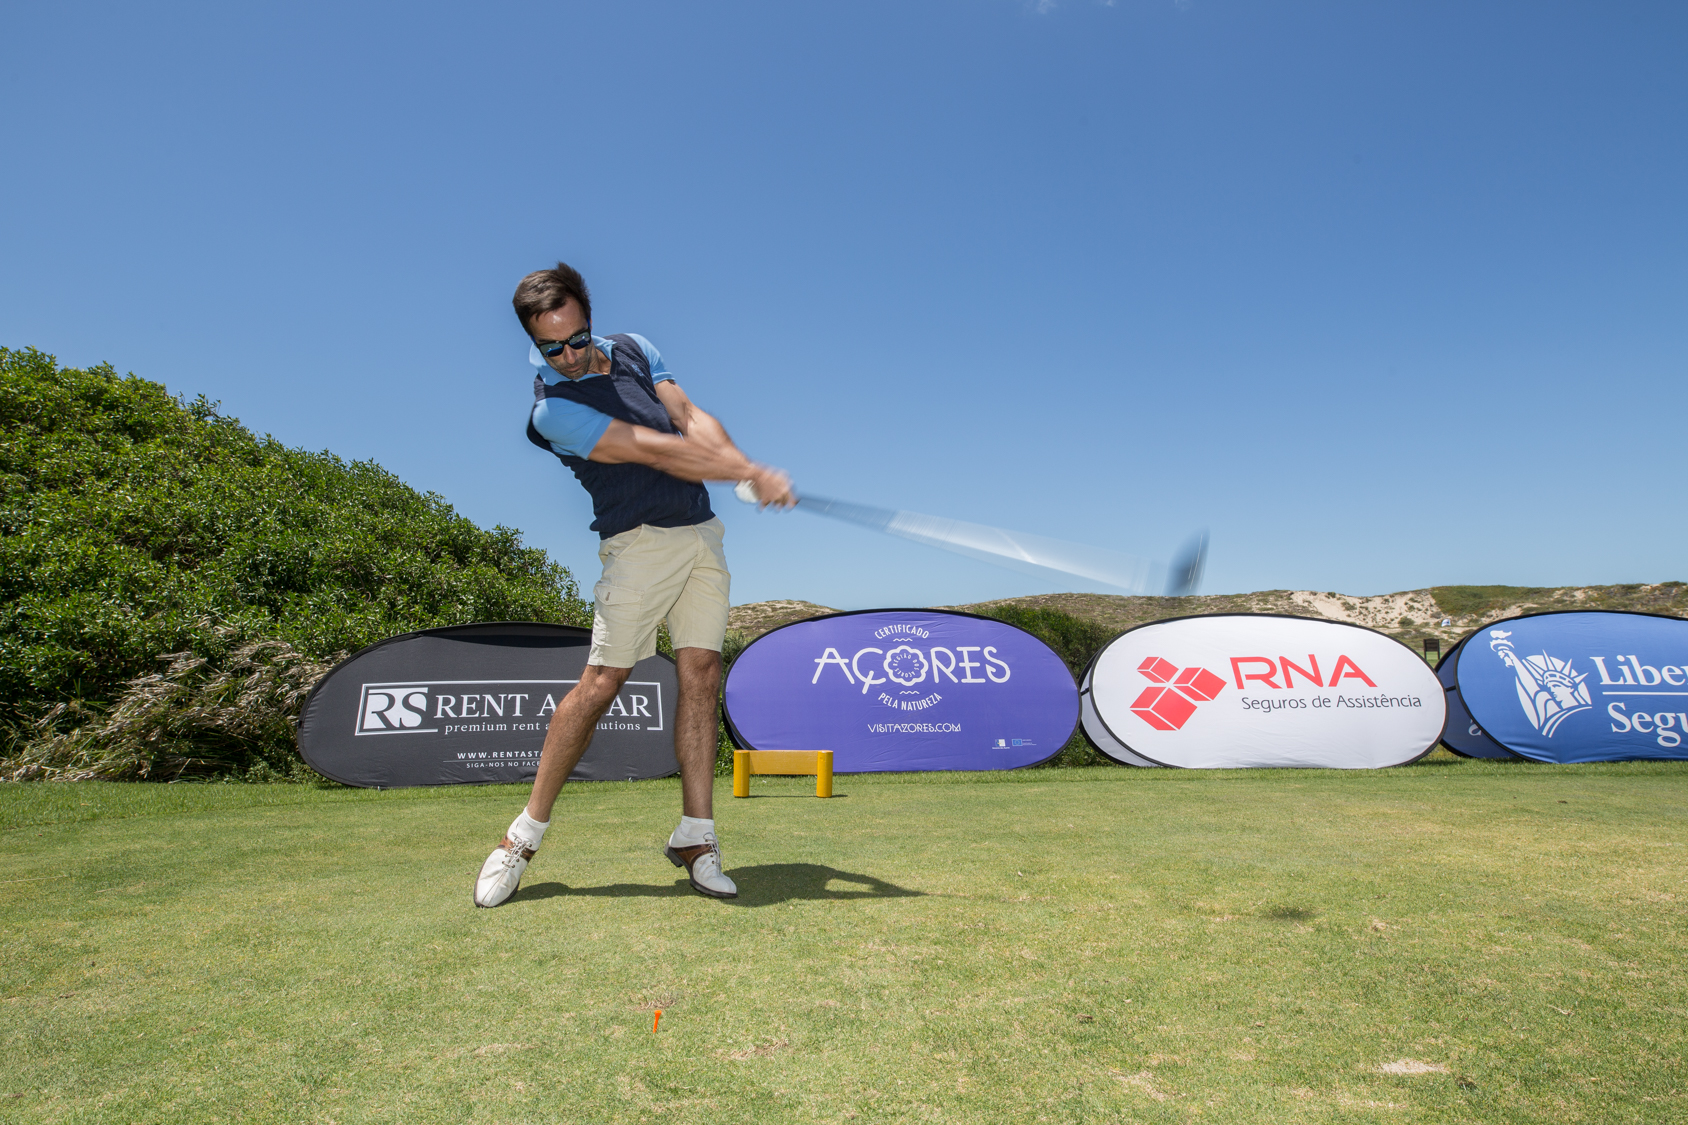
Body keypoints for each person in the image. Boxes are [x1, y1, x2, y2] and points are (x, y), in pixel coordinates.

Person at [474, 262, 794, 908]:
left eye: (576, 338)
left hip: (700, 533)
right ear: (533, 344)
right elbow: (654, 447)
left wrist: (739, 465)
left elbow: (687, 415)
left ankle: (697, 837)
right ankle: (521, 837)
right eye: (551, 347)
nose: (568, 356)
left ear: (589, 318)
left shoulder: (634, 349)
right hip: (638, 544)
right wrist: (748, 472)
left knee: (701, 672)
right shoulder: (552, 411)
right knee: (601, 684)